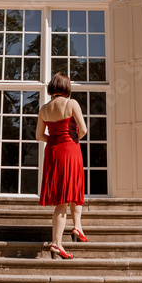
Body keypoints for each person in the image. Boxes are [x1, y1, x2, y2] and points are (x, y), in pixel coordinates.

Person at [36, 71, 88, 259]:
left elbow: (39, 136)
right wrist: (71, 138)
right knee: (72, 190)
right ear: (66, 88)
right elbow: (83, 129)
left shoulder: (44, 109)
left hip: (53, 150)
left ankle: (77, 228)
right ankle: (59, 242)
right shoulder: (71, 103)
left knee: (63, 195)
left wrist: (55, 139)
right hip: (70, 148)